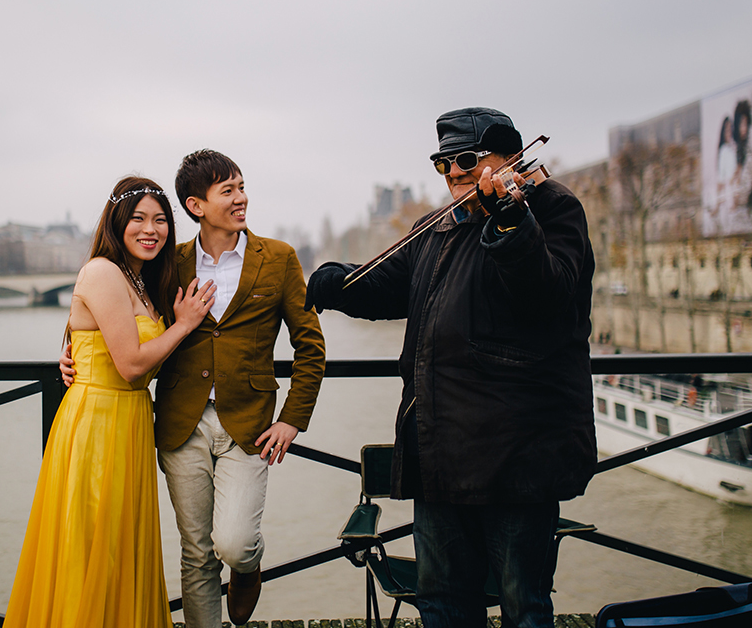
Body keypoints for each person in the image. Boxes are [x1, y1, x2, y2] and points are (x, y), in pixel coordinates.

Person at [305, 107, 597, 628]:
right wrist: (329, 282)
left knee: (523, 603)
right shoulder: (437, 227)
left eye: (466, 159)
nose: (455, 173)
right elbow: (384, 286)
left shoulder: (553, 209)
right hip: (440, 450)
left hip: (517, 453)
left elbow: (547, 294)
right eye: (444, 163)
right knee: (441, 601)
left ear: (509, 157)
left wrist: (510, 219)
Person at [61, 150, 326, 627]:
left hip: (250, 425)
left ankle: (248, 569)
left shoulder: (280, 259)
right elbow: (118, 315)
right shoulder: (169, 263)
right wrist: (70, 353)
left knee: (235, 543)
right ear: (196, 205)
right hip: (179, 424)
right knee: (196, 553)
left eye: (242, 187)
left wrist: (292, 419)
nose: (242, 198)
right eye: (229, 190)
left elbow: (311, 346)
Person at [5, 176, 215, 628]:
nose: (150, 229)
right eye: (138, 218)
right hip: (96, 426)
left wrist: (76, 353)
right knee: (90, 545)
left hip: (132, 422)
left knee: (121, 547)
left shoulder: (142, 280)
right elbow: (132, 365)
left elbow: (105, 342)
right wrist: (183, 324)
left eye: (160, 220)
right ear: (116, 222)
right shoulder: (102, 271)